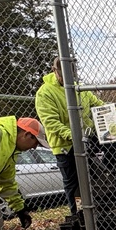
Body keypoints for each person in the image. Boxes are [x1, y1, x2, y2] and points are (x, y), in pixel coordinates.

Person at [35, 56, 101, 216]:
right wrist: (74, 135)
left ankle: (99, 207)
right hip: (65, 145)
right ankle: (77, 214)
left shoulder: (79, 89)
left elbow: (97, 104)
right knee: (72, 182)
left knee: (113, 148)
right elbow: (51, 122)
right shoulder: (45, 93)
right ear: (54, 71)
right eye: (63, 76)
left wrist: (113, 112)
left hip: (87, 138)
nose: (67, 80)